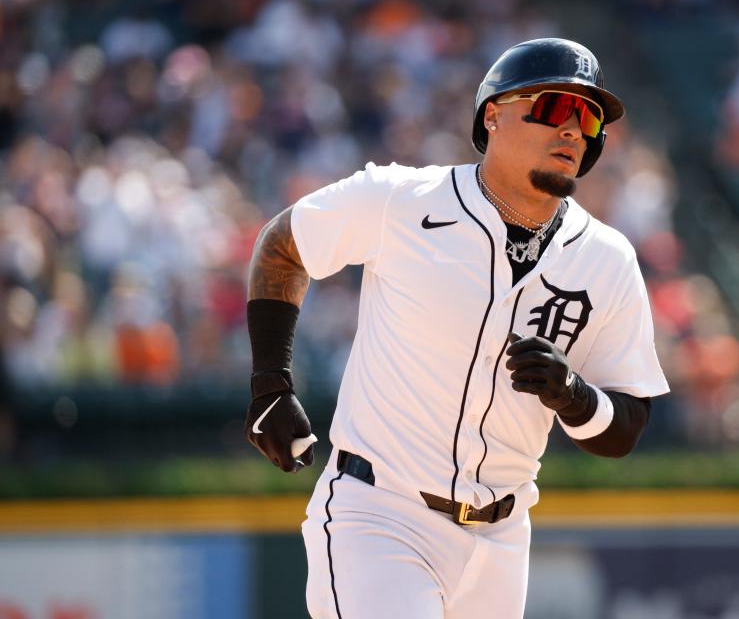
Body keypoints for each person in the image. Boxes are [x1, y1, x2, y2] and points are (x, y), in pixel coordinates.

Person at [244, 38, 669, 619]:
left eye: (588, 115)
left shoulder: (608, 258)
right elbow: (284, 244)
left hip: (502, 542)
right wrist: (271, 382)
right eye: (553, 106)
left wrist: (573, 398)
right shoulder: (403, 199)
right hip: (380, 516)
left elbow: (625, 427)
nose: (574, 128)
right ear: (492, 114)